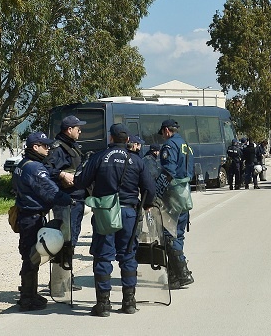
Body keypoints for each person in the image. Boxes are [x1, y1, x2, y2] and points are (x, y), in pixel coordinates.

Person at [76, 123, 156, 316]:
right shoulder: (136, 160)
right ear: (128, 140)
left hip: (105, 213)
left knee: (103, 256)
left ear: (110, 138)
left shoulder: (98, 157)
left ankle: (103, 304)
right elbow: (150, 189)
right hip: (129, 213)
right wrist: (146, 205)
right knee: (128, 256)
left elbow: (81, 182)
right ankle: (129, 301)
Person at [12, 132, 75, 312]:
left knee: (29, 255)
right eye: (44, 145)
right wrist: (70, 200)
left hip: (25, 214)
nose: (48, 148)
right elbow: (51, 192)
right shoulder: (36, 169)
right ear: (35, 147)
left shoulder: (22, 164)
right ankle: (27, 299)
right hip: (33, 217)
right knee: (32, 257)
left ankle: (29, 293)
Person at [44, 115, 87, 281]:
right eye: (78, 128)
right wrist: (61, 174)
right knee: (64, 239)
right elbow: (45, 171)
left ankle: (65, 276)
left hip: (76, 199)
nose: (80, 131)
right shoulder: (57, 148)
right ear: (69, 130)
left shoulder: (72, 146)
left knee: (72, 238)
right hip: (66, 201)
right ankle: (60, 279)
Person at [159, 118, 195, 288]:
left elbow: (168, 171)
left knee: (169, 234)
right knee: (178, 234)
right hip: (184, 194)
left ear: (167, 130)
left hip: (172, 195)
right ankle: (174, 276)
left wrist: (156, 193)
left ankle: (182, 273)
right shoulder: (185, 145)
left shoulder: (169, 146)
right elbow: (191, 171)